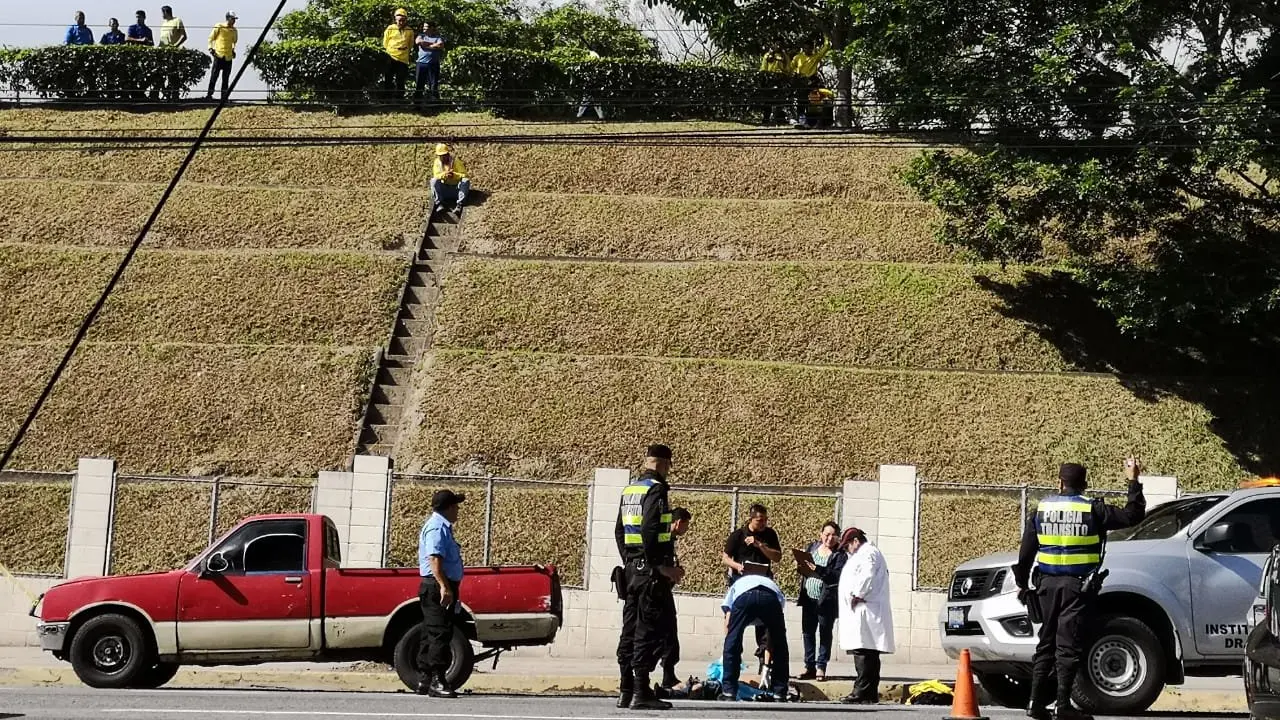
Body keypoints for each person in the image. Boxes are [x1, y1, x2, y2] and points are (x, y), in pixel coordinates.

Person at [1015, 460, 1146, 720]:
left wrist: (1023, 583)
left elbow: (1026, 550)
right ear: (1084, 484)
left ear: (1059, 483)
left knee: (1046, 642)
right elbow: (1133, 515)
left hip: (1047, 585)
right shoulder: (1092, 509)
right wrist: (1133, 480)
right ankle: (1062, 705)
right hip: (1077, 587)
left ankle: (1035, 703)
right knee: (1068, 645)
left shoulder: (1043, 508)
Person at [614, 443, 683, 711]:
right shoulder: (656, 489)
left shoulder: (631, 489)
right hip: (650, 576)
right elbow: (650, 529)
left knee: (630, 629)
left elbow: (620, 531)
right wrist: (658, 567)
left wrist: (630, 561)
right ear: (664, 464)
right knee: (651, 630)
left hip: (632, 571)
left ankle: (625, 689)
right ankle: (641, 692)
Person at [416, 488, 466, 699]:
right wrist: (444, 586)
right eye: (455, 506)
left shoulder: (442, 526)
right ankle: (437, 680)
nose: (458, 510)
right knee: (439, 633)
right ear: (448, 507)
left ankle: (425, 679)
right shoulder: (437, 528)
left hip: (440, 584)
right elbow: (434, 559)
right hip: (437, 586)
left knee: (431, 632)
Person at [837, 526, 894, 704]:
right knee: (867, 651)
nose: (847, 550)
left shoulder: (867, 553)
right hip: (865, 609)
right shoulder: (865, 553)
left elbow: (867, 575)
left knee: (863, 651)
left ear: (856, 541)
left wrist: (857, 594)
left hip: (865, 609)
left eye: (848, 546)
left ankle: (862, 691)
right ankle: (868, 692)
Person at [722, 504, 782, 669]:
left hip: (763, 584)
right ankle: (732, 659)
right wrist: (737, 566)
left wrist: (760, 545)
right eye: (759, 520)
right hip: (741, 583)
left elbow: (777, 557)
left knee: (765, 628)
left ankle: (765, 662)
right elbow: (725, 558)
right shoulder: (738, 535)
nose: (763, 523)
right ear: (751, 519)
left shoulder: (769, 534)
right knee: (733, 621)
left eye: (765, 520)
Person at [719, 571, 790, 702]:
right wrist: (767, 665)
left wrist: (728, 650)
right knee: (780, 645)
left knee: (733, 640)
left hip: (744, 597)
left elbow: (728, 625)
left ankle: (729, 691)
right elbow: (773, 640)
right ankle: (779, 692)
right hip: (769, 598)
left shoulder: (737, 586)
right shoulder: (774, 589)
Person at [796, 520, 847, 680]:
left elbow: (835, 576)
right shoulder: (812, 548)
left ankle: (821, 667)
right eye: (827, 534)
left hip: (826, 601)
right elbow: (805, 567)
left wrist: (817, 568)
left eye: (834, 535)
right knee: (808, 633)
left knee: (825, 634)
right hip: (808, 599)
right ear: (821, 535)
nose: (830, 538)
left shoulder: (840, 555)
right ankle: (809, 666)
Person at [659, 506, 692, 690]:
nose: (685, 530)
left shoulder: (668, 539)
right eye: (686, 525)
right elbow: (659, 565)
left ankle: (668, 675)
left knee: (669, 635)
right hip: (658, 593)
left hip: (664, 591)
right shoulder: (663, 538)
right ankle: (666, 676)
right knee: (666, 634)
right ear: (679, 522)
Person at [382, 8, 415, 101]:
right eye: (399, 20)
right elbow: (385, 43)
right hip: (391, 56)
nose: (401, 22)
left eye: (403, 20)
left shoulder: (410, 30)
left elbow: (411, 44)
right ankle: (387, 98)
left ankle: (399, 99)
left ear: (406, 20)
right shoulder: (390, 28)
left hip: (403, 58)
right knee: (388, 78)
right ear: (395, 19)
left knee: (400, 80)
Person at [158, 5, 188, 100]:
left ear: (166, 12)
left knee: (173, 75)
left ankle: (174, 95)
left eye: (162, 13)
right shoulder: (163, 23)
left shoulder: (177, 21)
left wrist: (175, 46)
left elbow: (184, 36)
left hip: (173, 52)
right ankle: (165, 94)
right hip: (163, 52)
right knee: (161, 74)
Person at [430, 143, 470, 215]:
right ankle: (439, 203)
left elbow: (464, 175)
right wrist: (444, 175)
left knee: (465, 181)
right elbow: (436, 175)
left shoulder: (456, 161)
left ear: (448, 154)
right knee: (433, 181)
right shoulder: (437, 162)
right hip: (444, 189)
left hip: (456, 190)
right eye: (441, 156)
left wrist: (454, 175)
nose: (443, 158)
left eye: (444, 155)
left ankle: (459, 205)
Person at [206, 12, 237, 102]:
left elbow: (234, 42)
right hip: (218, 55)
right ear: (228, 18)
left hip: (228, 56)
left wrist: (233, 50)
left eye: (235, 19)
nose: (234, 21)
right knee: (214, 76)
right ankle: (209, 95)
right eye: (232, 18)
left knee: (226, 78)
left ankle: (224, 97)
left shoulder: (234, 30)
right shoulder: (219, 26)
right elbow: (211, 38)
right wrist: (210, 48)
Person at [413, 21, 445, 107]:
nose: (424, 28)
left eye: (426, 27)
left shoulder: (438, 37)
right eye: (424, 27)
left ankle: (434, 105)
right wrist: (433, 45)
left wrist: (426, 45)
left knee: (433, 84)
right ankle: (417, 105)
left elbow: (440, 45)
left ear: (431, 28)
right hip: (421, 64)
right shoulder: (421, 35)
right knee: (419, 84)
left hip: (433, 64)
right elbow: (418, 42)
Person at [759, 45, 790, 125]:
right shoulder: (767, 55)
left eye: (780, 44)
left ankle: (779, 119)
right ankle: (766, 119)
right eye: (776, 44)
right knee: (767, 101)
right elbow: (763, 68)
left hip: (780, 79)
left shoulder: (785, 56)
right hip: (770, 79)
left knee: (780, 101)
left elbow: (787, 69)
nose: (778, 46)